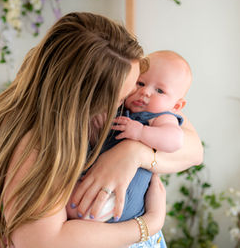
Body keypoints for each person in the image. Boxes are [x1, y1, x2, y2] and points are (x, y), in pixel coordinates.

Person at [0, 12, 203, 248]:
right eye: (122, 96)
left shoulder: (126, 92)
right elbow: (42, 242)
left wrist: (133, 153)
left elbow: (194, 149)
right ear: (87, 99)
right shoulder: (38, 144)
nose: (136, 96)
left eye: (137, 82)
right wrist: (148, 224)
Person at [66, 51, 193, 246]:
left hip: (126, 199)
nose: (146, 92)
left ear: (177, 105)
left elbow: (174, 141)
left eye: (159, 91)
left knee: (84, 206)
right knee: (78, 201)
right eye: (141, 83)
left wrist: (141, 134)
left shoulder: (161, 117)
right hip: (105, 189)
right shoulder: (123, 109)